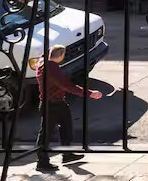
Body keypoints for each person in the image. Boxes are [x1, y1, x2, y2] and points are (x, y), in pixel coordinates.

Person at [35, 44, 101, 172]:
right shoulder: (51, 69)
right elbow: (67, 86)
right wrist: (90, 93)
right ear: (61, 56)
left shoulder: (43, 63)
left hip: (56, 102)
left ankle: (67, 154)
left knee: (66, 126)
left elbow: (45, 55)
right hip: (51, 104)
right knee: (45, 134)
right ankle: (42, 162)